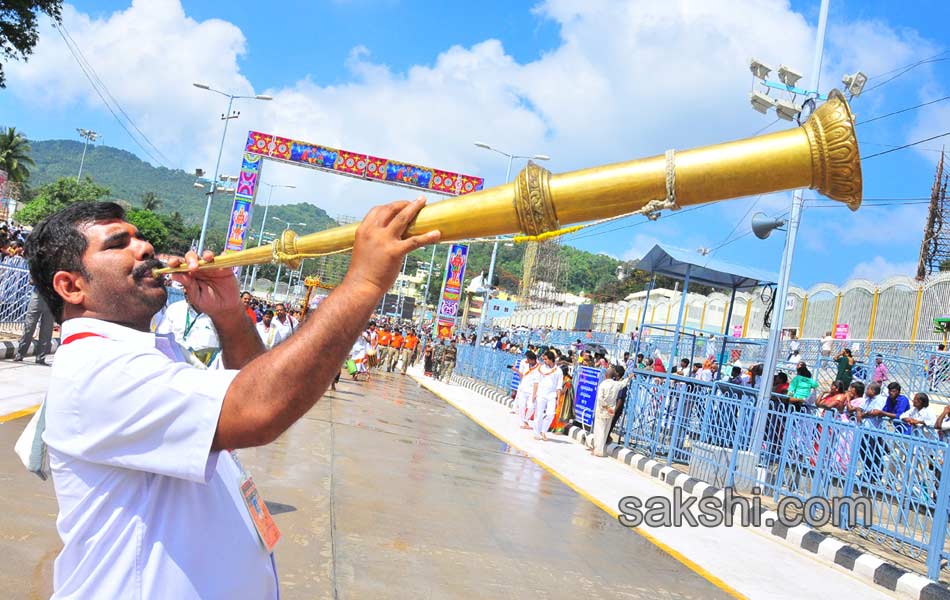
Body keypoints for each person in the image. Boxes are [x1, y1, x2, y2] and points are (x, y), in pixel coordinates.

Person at [24, 198, 438, 598]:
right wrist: (363, 283)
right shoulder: (100, 369)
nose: (145, 247)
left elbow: (252, 385)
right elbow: (259, 410)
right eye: (118, 243)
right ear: (72, 285)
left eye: (139, 237)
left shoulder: (135, 352)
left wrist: (228, 314)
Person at [155, 290, 221, 365]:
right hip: (173, 367)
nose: (185, 291)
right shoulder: (174, 309)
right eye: (184, 286)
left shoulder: (221, 316)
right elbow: (160, 340)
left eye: (191, 286)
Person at [590, 365, 626, 457]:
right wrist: (629, 378)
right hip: (610, 412)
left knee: (600, 430)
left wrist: (607, 407)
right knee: (605, 431)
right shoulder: (616, 384)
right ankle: (599, 449)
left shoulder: (603, 384)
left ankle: (598, 450)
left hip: (603, 410)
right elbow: (623, 384)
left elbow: (600, 399)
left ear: (606, 375)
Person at [14, 288, 55, 365]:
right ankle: (20, 354)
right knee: (29, 326)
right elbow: (32, 281)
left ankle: (41, 358)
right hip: (37, 296)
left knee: (46, 330)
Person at [532, 350, 561, 441]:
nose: (545, 361)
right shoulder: (541, 368)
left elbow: (559, 386)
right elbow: (536, 382)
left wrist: (558, 399)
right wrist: (534, 394)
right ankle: (537, 432)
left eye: (546, 359)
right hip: (541, 393)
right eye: (544, 359)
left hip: (551, 395)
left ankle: (543, 431)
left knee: (550, 414)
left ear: (551, 359)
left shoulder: (558, 371)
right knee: (539, 414)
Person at [513, 350, 540, 427]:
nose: (526, 360)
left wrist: (535, 393)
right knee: (521, 406)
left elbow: (537, 382)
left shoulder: (539, 367)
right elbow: (522, 375)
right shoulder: (525, 364)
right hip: (523, 388)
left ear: (533, 360)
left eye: (528, 359)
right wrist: (516, 370)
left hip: (532, 390)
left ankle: (526, 420)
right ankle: (523, 422)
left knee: (531, 407)